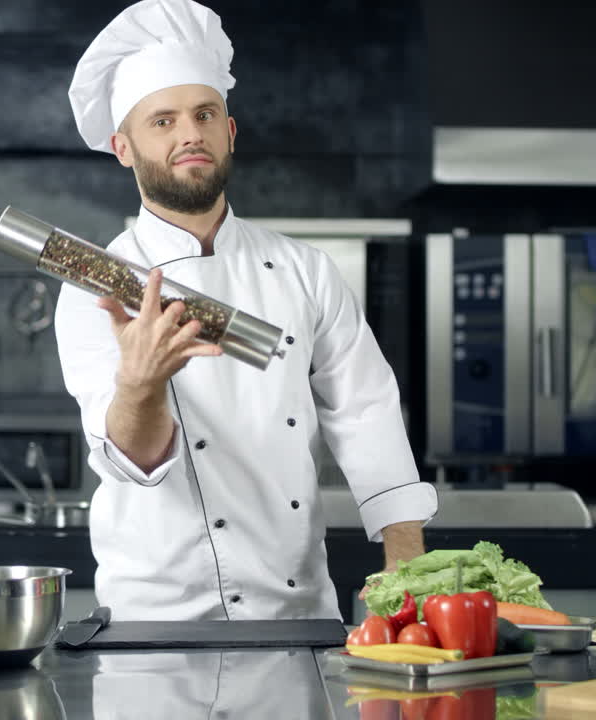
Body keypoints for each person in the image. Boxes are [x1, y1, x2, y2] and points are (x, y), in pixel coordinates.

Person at [57, 0, 437, 621]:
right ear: (123, 147)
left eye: (204, 114)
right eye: (163, 121)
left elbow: (365, 410)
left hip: (298, 611)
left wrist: (405, 558)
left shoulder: (305, 271)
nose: (190, 134)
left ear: (229, 132)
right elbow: (134, 460)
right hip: (156, 620)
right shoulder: (96, 283)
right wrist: (141, 382)